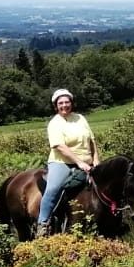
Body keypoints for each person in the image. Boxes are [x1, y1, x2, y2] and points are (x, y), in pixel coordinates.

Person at [38, 88, 97, 237]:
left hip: (86, 161)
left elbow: (92, 141)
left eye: (67, 102)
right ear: (56, 106)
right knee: (53, 188)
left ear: (72, 103)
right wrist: (79, 162)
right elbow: (59, 146)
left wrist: (96, 160)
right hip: (62, 162)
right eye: (61, 103)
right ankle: (43, 224)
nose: (64, 105)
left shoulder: (80, 118)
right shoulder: (54, 123)